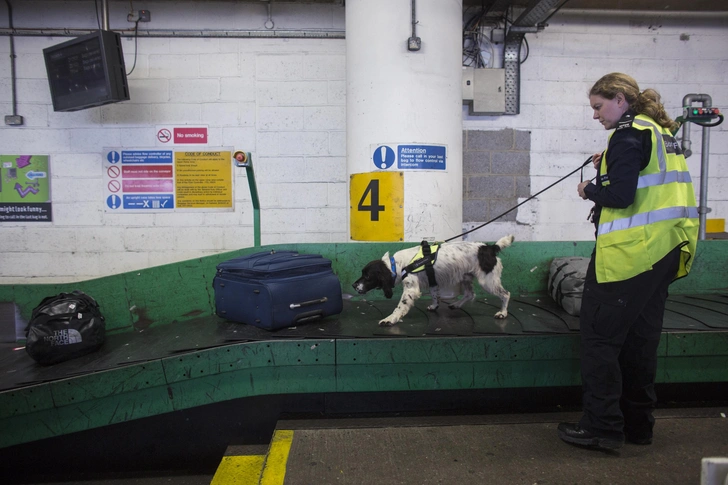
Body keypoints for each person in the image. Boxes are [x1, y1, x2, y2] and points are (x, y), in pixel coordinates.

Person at [558, 73, 699, 450]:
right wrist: (606, 165)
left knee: (600, 340)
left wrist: (589, 188)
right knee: (640, 341)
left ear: (619, 99)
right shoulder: (658, 132)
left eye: (598, 106)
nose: (594, 115)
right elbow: (646, 183)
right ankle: (638, 426)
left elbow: (619, 196)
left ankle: (602, 427)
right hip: (667, 250)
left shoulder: (627, 134)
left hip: (631, 256)